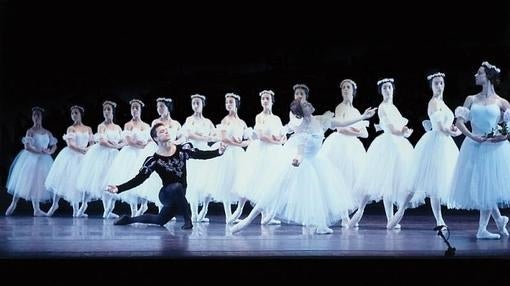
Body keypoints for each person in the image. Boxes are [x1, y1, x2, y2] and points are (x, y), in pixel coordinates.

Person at [231, 93, 377, 234]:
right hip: (299, 165)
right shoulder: (302, 129)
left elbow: (342, 122)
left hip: (316, 162)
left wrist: (363, 116)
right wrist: (297, 159)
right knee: (274, 192)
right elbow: (300, 151)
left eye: (307, 103)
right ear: (302, 112)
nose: (309, 104)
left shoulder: (321, 120)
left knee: (319, 193)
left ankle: (320, 225)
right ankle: (248, 220)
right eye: (306, 105)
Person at [106, 122, 226, 230]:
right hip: (166, 194)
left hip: (180, 195)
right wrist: (119, 188)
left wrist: (218, 152)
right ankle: (188, 221)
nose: (166, 131)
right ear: (156, 138)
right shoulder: (154, 160)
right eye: (162, 131)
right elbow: (139, 179)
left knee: (160, 220)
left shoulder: (183, 149)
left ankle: (129, 219)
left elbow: (200, 154)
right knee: (176, 186)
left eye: (166, 129)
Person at [387, 72, 461, 229]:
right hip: (434, 144)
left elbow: (448, 126)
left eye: (441, 83)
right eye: (436, 83)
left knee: (436, 184)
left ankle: (439, 220)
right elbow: (440, 127)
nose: (439, 86)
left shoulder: (443, 103)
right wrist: (453, 131)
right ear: (432, 86)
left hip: (445, 145)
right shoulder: (433, 103)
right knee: (416, 181)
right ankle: (400, 210)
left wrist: (454, 129)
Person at [448, 61, 510, 239]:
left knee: (487, 186)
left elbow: (509, 125)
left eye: (479, 73)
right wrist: (472, 136)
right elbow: (459, 121)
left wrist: (503, 135)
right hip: (474, 145)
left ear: (488, 77)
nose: (476, 75)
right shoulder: (471, 99)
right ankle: (496, 222)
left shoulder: (501, 102)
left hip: (494, 149)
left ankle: (486, 227)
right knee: (483, 186)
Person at [348, 78, 415, 229]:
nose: (387, 90)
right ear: (381, 91)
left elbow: (399, 127)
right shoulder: (382, 107)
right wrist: (401, 132)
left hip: (399, 145)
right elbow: (392, 129)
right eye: (384, 88)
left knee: (390, 184)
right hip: (387, 145)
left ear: (393, 89)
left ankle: (390, 218)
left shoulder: (394, 107)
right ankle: (360, 210)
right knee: (377, 179)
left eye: (389, 87)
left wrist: (405, 132)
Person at [317, 79, 369, 227]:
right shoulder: (340, 107)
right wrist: (355, 130)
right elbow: (340, 128)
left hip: (353, 148)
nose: (346, 90)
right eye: (343, 88)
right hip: (339, 146)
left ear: (353, 90)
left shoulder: (357, 111)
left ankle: (350, 212)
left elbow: (365, 134)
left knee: (354, 181)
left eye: (348, 87)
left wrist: (354, 130)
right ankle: (344, 215)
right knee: (341, 180)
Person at [229, 90, 285, 225]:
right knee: (251, 179)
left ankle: (266, 214)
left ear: (272, 101)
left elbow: (283, 135)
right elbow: (261, 136)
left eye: (267, 99)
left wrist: (281, 139)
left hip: (274, 153)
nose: (265, 101)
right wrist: (277, 141)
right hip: (261, 151)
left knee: (268, 181)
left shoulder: (277, 118)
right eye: (263, 99)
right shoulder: (259, 117)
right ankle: (239, 209)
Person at [6, 106, 57, 216]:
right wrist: (39, 151)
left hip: (44, 159)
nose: (36, 117)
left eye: (38, 115)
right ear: (32, 117)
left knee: (38, 183)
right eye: (34, 115)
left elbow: (54, 146)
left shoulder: (47, 132)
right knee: (23, 181)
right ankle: (13, 203)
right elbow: (27, 147)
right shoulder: (30, 131)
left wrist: (49, 152)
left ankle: (36, 209)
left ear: (41, 117)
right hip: (31, 158)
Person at [76, 100, 124, 218]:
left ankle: (108, 210)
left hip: (114, 156)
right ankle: (83, 207)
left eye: (108, 109)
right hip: (101, 155)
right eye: (104, 109)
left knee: (111, 182)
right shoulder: (101, 126)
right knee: (98, 181)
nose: (106, 112)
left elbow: (123, 141)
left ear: (113, 112)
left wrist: (118, 145)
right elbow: (102, 141)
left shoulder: (118, 127)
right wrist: (114, 145)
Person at [45, 105, 94, 217]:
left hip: (84, 156)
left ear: (81, 114)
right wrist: (82, 150)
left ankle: (77, 210)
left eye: (76, 113)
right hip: (71, 156)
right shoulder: (70, 129)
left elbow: (92, 144)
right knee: (63, 181)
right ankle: (54, 204)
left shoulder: (88, 129)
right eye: (72, 113)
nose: (74, 115)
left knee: (79, 183)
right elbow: (70, 144)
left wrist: (87, 150)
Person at [107, 99, 153, 217]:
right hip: (130, 154)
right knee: (129, 178)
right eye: (133, 108)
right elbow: (129, 141)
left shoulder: (146, 126)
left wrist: (143, 145)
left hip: (142, 154)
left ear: (140, 109)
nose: (135, 110)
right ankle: (133, 211)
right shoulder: (128, 125)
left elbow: (150, 140)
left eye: (137, 107)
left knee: (144, 179)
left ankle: (144, 204)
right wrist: (141, 144)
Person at [181, 94, 216, 222]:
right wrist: (205, 137)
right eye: (193, 103)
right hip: (193, 153)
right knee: (193, 183)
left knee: (206, 182)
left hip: (205, 152)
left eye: (198, 103)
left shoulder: (208, 122)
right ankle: (194, 213)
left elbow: (214, 135)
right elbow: (189, 134)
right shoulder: (189, 120)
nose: (195, 106)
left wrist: (210, 138)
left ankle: (204, 209)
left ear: (202, 104)